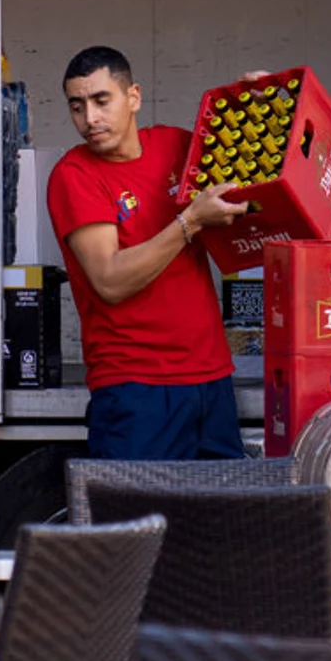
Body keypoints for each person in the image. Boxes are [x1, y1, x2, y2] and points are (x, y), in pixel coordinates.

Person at [46, 46, 249, 460]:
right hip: (136, 387)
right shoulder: (74, 176)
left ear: (133, 97)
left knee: (221, 504)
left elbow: (247, 174)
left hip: (211, 377)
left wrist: (253, 106)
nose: (90, 118)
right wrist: (189, 222)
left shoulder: (175, 146)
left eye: (101, 100)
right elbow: (110, 281)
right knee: (136, 507)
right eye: (77, 107)